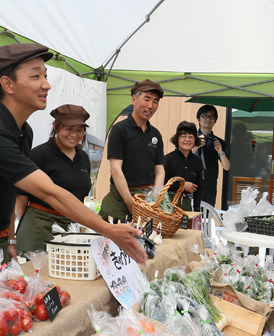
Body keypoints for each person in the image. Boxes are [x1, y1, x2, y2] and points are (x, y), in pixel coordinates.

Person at [0, 43, 146, 280]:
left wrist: (9, 239)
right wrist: (108, 230)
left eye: (45, 76)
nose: (46, 84)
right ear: (8, 84)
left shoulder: (22, 130)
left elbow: (7, 190)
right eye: (36, 76)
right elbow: (51, 193)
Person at [14, 104, 92, 255]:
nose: (74, 135)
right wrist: (28, 224)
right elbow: (21, 195)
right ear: (55, 126)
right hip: (39, 227)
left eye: (79, 130)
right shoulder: (39, 154)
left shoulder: (83, 158)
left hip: (70, 229)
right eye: (68, 129)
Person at [99, 80, 166, 222]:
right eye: (146, 99)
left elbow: (159, 169)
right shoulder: (120, 130)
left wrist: (154, 198)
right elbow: (115, 169)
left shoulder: (155, 134)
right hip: (121, 199)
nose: (150, 106)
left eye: (155, 101)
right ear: (134, 99)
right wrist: (130, 202)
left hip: (146, 200)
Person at [194, 104, 229, 210]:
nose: (208, 119)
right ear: (198, 119)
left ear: (215, 120)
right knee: (192, 220)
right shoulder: (190, 139)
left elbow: (227, 167)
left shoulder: (218, 142)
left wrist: (220, 151)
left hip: (210, 187)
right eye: (204, 116)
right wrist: (196, 145)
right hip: (192, 186)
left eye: (211, 116)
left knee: (206, 219)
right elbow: (182, 159)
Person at [163, 121, 203, 212]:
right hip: (168, 206)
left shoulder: (197, 161)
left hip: (187, 205)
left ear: (195, 140)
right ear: (177, 139)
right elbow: (161, 185)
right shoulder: (168, 159)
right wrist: (182, 186)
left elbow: (199, 188)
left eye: (191, 137)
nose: (187, 140)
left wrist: (197, 210)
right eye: (183, 136)